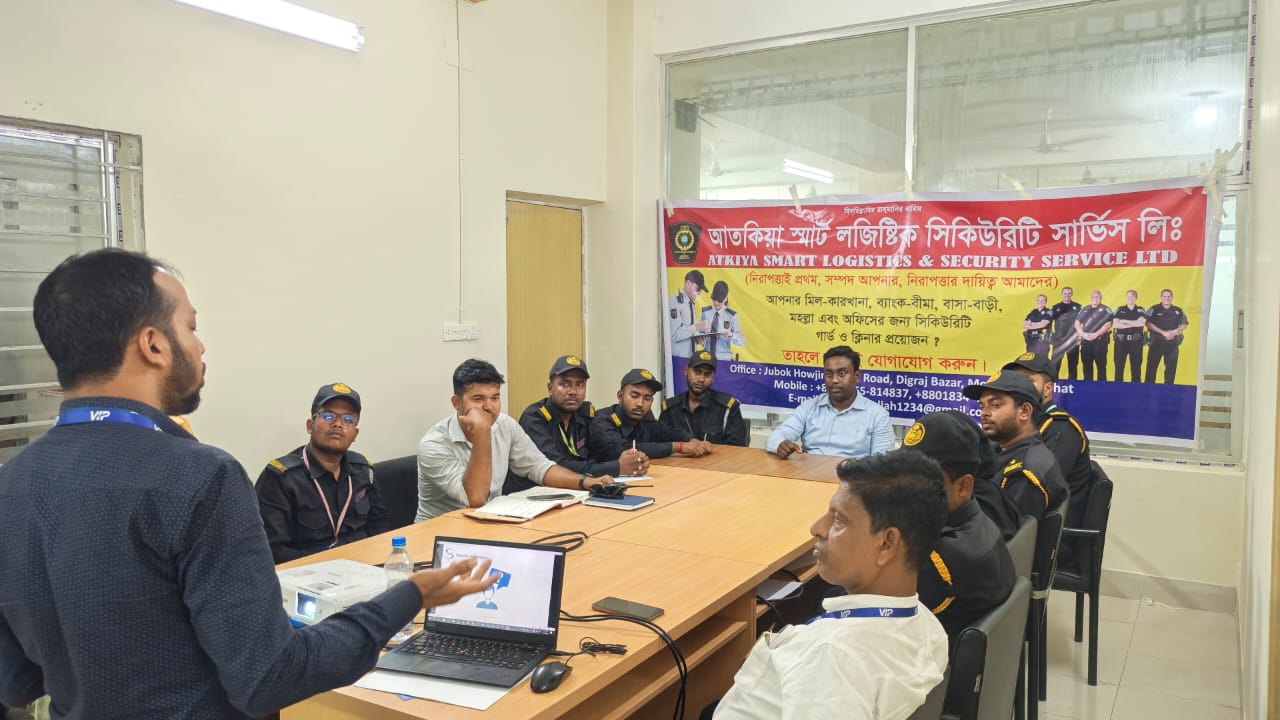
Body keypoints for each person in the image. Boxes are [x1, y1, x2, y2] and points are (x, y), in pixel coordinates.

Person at [0, 249, 497, 720]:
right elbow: (270, 677)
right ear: (153, 345)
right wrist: (409, 597)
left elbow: (16, 681)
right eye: (190, 327)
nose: (200, 346)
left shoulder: (13, 482)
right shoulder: (200, 476)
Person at [711, 450, 949, 719]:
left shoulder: (832, 656)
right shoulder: (930, 628)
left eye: (838, 519)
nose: (817, 528)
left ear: (886, 544)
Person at [416, 359, 614, 520]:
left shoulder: (505, 425)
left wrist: (586, 482)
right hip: (439, 533)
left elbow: (539, 467)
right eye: (478, 399)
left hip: (489, 521)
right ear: (456, 403)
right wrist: (482, 431)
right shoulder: (433, 444)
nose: (489, 407)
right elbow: (474, 498)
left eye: (495, 398)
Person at [902, 412, 1016, 644]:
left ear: (964, 486)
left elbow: (876, 611)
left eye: (921, 480)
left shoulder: (943, 557)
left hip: (926, 657)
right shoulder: (977, 522)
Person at [255, 383, 391, 563]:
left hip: (364, 565)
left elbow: (380, 524)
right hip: (307, 572)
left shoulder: (363, 470)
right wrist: (328, 565)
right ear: (310, 425)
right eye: (328, 416)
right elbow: (270, 549)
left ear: (355, 434)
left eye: (348, 419)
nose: (338, 424)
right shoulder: (281, 478)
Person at [503, 355, 648, 494]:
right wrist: (617, 467)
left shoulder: (584, 414)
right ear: (550, 388)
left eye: (580, 385)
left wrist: (634, 460)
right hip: (531, 495)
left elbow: (603, 447)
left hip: (574, 492)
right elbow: (555, 467)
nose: (573, 391)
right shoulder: (535, 419)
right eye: (565, 384)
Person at [962, 370, 1068, 522]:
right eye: (982, 406)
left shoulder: (1024, 472)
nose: (984, 413)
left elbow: (1005, 531)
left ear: (1024, 411)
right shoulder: (1004, 450)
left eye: (995, 405)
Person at [1003, 352, 1094, 529]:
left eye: (1028, 381)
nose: (1018, 387)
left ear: (1047, 389)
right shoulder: (1022, 422)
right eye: (1015, 379)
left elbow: (1037, 486)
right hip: (1022, 520)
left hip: (1045, 533)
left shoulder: (1061, 428)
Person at [766, 346, 893, 459]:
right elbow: (776, 436)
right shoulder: (809, 407)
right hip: (810, 473)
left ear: (857, 376)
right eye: (829, 374)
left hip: (853, 475)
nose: (834, 380)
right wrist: (780, 445)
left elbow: (883, 463)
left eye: (842, 373)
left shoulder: (877, 415)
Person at [589, 368, 714, 461]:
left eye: (647, 398)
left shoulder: (645, 416)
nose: (640, 404)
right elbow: (623, 449)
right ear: (620, 396)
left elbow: (665, 432)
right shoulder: (601, 420)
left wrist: (692, 440)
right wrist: (678, 447)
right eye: (634, 396)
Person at [658, 351, 748, 446]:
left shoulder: (727, 408)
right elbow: (660, 445)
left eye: (707, 374)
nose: (701, 379)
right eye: (697, 372)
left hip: (717, 456)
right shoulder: (670, 408)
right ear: (686, 371)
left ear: (713, 378)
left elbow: (736, 449)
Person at [1144, 289, 1189, 384]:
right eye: (1164, 296)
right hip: (1156, 342)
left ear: (1172, 298)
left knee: (1171, 370)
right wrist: (1163, 333)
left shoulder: (1178, 310)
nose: (1167, 298)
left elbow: (1184, 324)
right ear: (1161, 297)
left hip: (1172, 343)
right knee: (1151, 369)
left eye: (1169, 296)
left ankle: (1168, 391)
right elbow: (1148, 323)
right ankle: (1148, 390)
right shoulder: (1154, 309)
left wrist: (1174, 331)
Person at [700, 280, 745, 361]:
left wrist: (731, 335)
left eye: (719, 300)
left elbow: (741, 341)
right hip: (707, 359)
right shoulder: (705, 313)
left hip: (724, 360)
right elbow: (701, 335)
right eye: (714, 299)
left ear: (725, 298)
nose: (716, 303)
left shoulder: (732, 316)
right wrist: (701, 340)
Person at [1074, 290, 1113, 382]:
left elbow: (1109, 324)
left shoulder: (1106, 309)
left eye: (1097, 297)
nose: (1095, 298)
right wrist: (1082, 334)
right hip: (1086, 342)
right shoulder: (1085, 309)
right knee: (1086, 366)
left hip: (1100, 342)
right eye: (1093, 297)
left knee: (1101, 367)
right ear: (1091, 298)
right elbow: (1077, 323)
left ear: (1101, 298)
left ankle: (1101, 388)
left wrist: (1096, 334)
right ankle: (1088, 387)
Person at [669, 269, 707, 358]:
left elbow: (687, 333)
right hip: (678, 359)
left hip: (690, 358)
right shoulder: (675, 302)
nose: (699, 293)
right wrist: (697, 327)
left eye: (700, 290)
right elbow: (675, 335)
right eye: (697, 289)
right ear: (688, 283)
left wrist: (697, 340)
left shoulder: (691, 305)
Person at [1111, 290, 1147, 383]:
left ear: (1136, 298)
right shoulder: (1119, 309)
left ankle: (1136, 391)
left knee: (1136, 369)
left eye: (1133, 296)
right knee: (1119, 368)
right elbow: (1115, 324)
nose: (1130, 298)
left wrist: (1124, 321)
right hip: (1121, 342)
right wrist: (1134, 323)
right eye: (1128, 296)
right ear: (1125, 298)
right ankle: (1118, 390)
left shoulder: (1140, 309)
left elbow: (1141, 323)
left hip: (1136, 343)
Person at [1050, 286, 1082, 380]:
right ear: (1061, 294)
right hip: (1058, 340)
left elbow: (1082, 323)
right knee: (1055, 364)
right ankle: (1054, 385)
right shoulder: (1055, 307)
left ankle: (1072, 385)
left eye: (1069, 293)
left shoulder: (1078, 307)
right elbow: (1048, 323)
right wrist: (1051, 336)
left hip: (1072, 340)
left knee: (1073, 365)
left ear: (1072, 294)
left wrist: (1080, 337)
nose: (1067, 295)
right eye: (1065, 293)